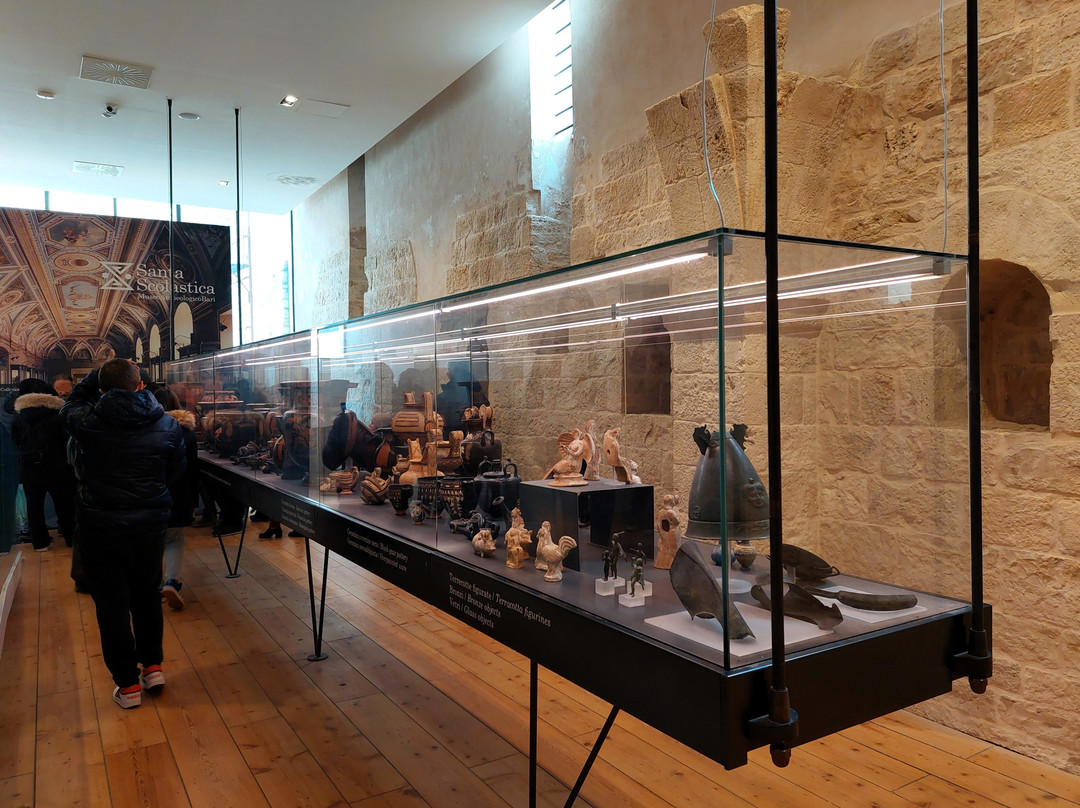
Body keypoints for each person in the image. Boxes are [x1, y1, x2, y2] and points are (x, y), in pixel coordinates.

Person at [61, 359, 185, 710]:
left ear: (101, 390)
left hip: (100, 526)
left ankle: (128, 686)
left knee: (111, 606)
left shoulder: (87, 421)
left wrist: (95, 376)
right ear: (140, 385)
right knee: (147, 596)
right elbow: (175, 471)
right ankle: (153, 667)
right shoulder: (167, 424)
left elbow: (70, 404)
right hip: (149, 524)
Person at [10, 379, 76, 551]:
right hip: (58, 465)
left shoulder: (19, 416)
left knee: (34, 506)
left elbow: (16, 440)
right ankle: (70, 538)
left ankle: (40, 543)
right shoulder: (58, 413)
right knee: (64, 503)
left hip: (30, 465)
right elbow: (66, 439)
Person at [153, 387, 198, 610]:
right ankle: (171, 580)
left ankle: (154, 585)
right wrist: (194, 501)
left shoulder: (147, 429)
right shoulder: (186, 432)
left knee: (153, 541)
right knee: (174, 538)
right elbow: (192, 471)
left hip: (151, 494)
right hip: (178, 495)